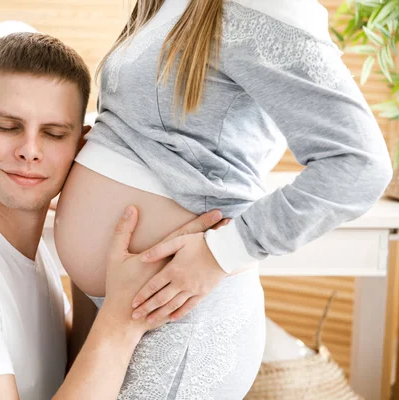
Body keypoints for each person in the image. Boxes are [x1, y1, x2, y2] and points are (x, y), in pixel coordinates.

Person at [54, 0, 394, 398]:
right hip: (116, 299)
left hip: (176, 310)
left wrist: (223, 251)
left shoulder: (265, 8)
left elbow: (360, 165)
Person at [0, 32, 225, 399]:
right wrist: (122, 321)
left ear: (80, 147)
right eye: (7, 127)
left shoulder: (29, 253)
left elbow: (55, 375)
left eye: (54, 134)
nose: (30, 150)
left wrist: (97, 269)